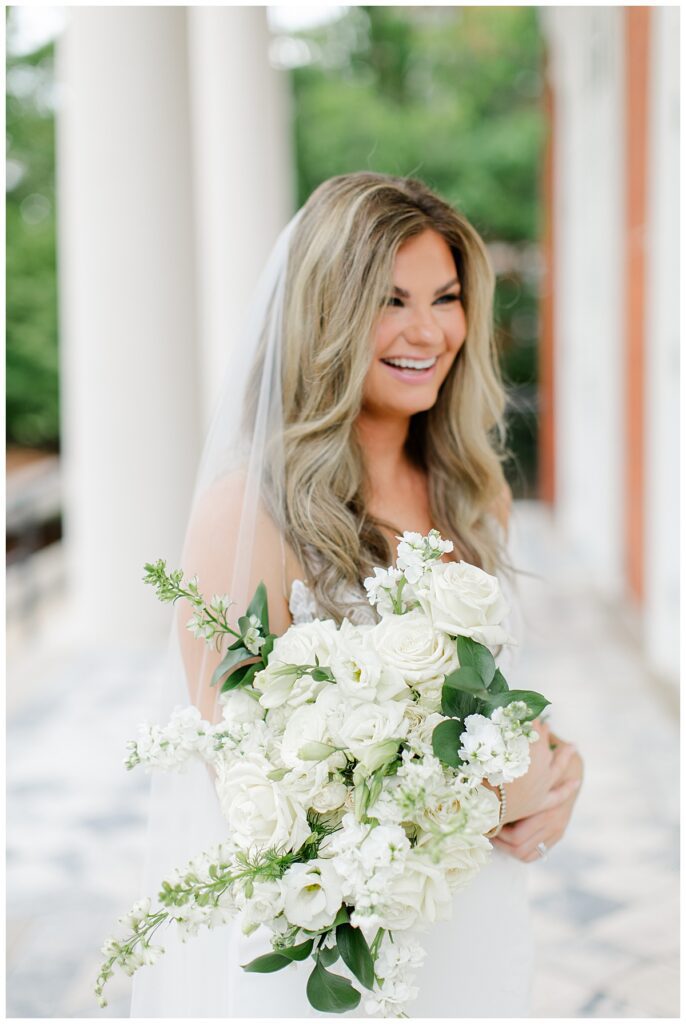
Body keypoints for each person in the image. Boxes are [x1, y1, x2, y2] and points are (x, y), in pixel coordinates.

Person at [131, 172, 583, 1017]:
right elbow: (247, 791)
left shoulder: (473, 494)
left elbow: (488, 705)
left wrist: (562, 769)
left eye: (446, 298)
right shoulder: (251, 510)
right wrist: (480, 799)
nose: (428, 331)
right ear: (327, 313)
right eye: (390, 300)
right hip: (340, 960)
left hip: (477, 920)